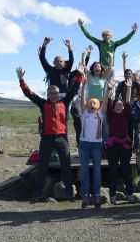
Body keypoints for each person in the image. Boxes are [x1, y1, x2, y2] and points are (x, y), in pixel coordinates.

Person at [16, 64, 84, 202]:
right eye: (50, 93)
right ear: (47, 94)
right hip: (46, 138)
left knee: (66, 166)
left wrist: (80, 74)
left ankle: (69, 192)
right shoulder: (43, 104)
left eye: (55, 93)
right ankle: (39, 194)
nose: (53, 95)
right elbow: (30, 94)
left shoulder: (65, 102)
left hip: (61, 138)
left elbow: (74, 89)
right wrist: (21, 80)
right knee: (42, 166)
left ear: (59, 94)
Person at [77, 75, 112, 209]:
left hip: (97, 145)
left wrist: (107, 89)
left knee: (97, 170)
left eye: (94, 103)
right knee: (84, 170)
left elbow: (106, 102)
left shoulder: (100, 114)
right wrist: (84, 85)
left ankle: (97, 196)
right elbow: (82, 100)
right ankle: (85, 196)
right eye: (90, 103)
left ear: (97, 106)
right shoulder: (84, 114)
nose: (92, 105)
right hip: (84, 144)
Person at [106, 77, 135, 204]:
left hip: (124, 145)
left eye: (120, 105)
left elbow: (128, 100)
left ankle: (129, 194)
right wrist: (110, 88)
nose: (118, 106)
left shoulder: (126, 113)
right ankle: (112, 196)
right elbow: (109, 99)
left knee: (126, 169)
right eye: (116, 105)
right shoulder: (110, 114)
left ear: (123, 107)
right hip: (112, 145)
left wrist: (128, 87)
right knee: (112, 170)